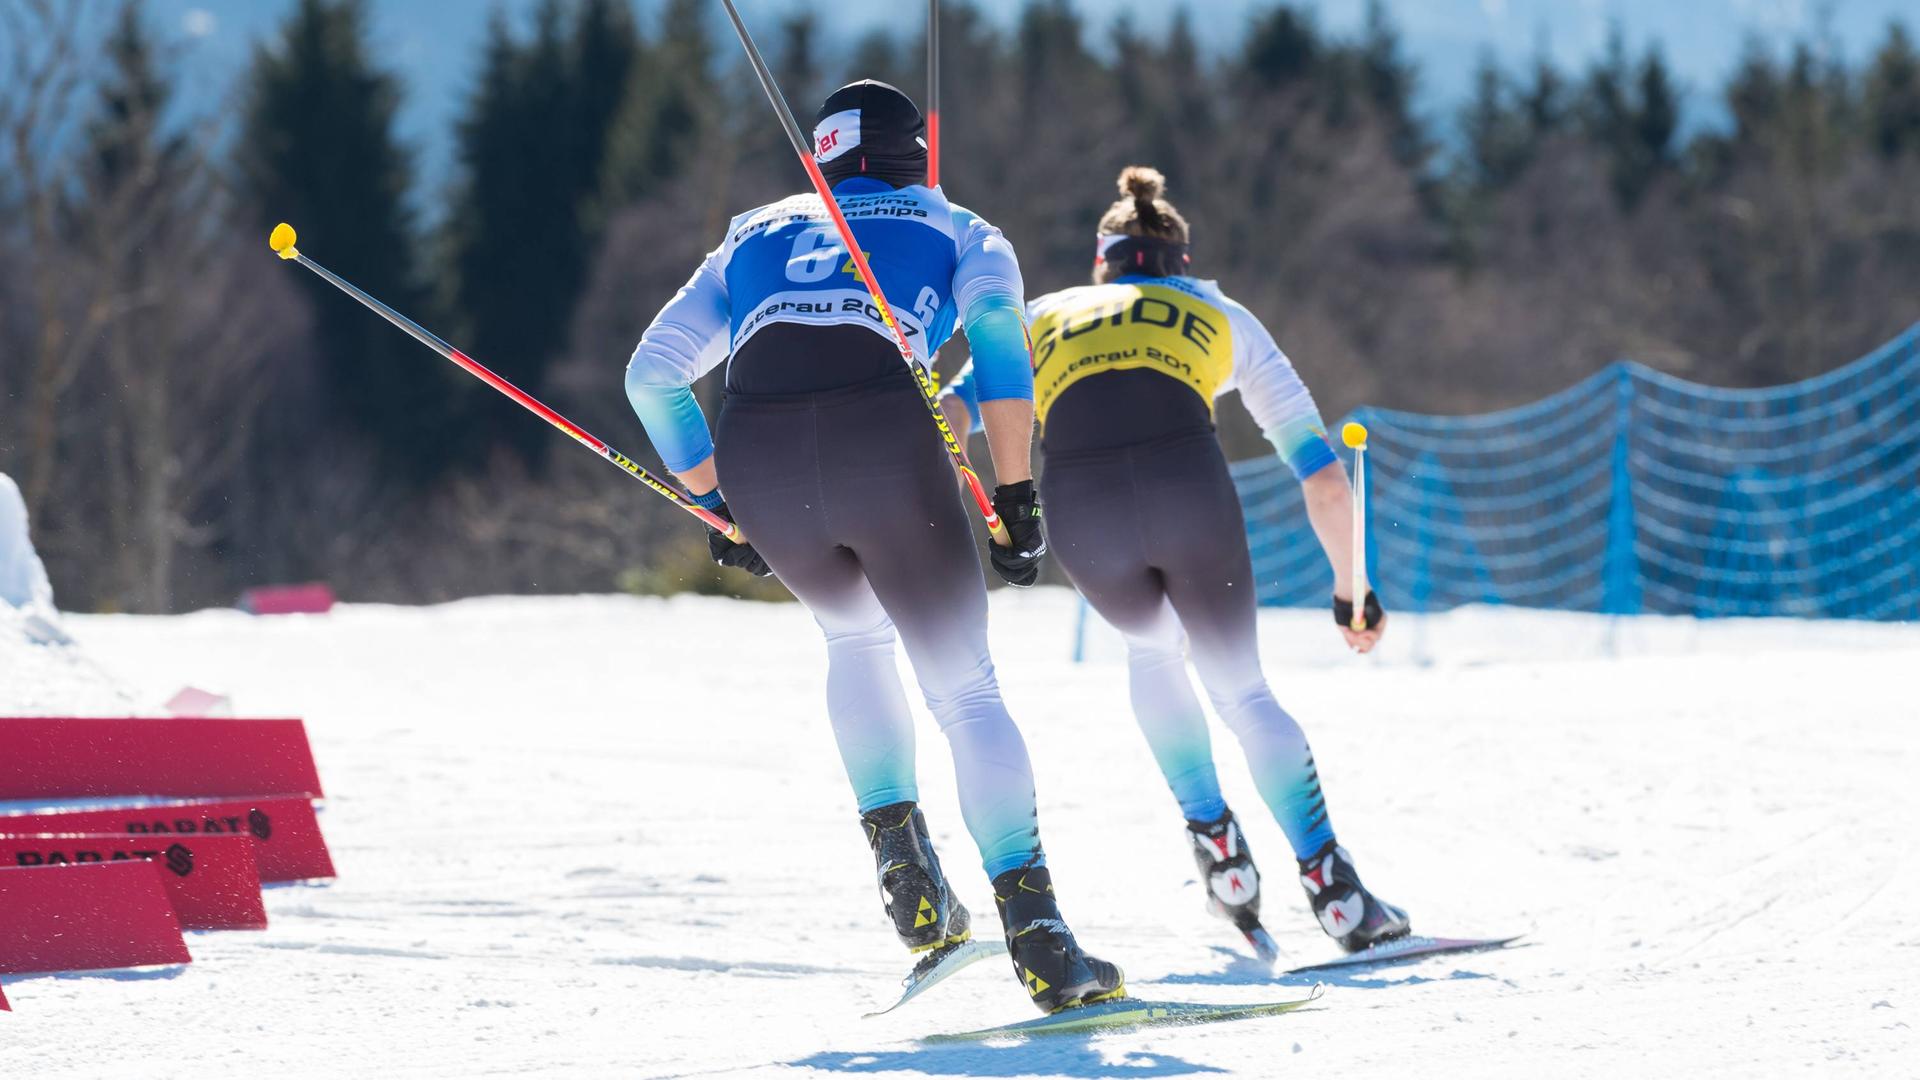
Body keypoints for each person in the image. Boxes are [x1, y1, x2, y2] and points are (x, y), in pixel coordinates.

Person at [623, 80, 1122, 1012]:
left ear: (823, 154)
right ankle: (1041, 941)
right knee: (964, 687)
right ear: (913, 154)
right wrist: (1016, 497)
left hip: (760, 454)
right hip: (883, 444)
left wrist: (718, 506)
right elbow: (1000, 347)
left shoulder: (751, 230)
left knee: (852, 640)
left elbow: (651, 376)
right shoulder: (961, 226)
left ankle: (914, 887)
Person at [942, 166, 1408, 957]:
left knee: (1152, 652)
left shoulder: (1042, 314)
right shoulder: (1218, 312)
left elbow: (948, 418)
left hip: (1084, 508)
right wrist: (1351, 591)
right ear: (1180, 263)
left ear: (1103, 265)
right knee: (1242, 691)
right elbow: (1326, 480)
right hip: (1188, 491)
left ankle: (1218, 850)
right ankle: (1334, 890)